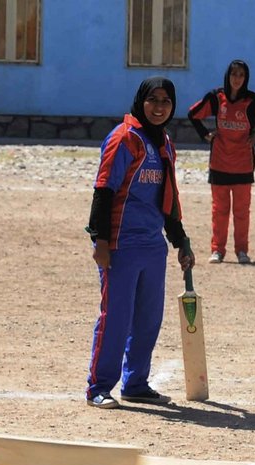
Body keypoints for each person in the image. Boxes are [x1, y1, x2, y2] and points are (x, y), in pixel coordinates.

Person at [84, 77, 196, 410]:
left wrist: (181, 241)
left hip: (152, 245)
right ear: (140, 101)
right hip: (120, 244)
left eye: (166, 101)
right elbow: (103, 191)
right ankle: (98, 387)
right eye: (153, 100)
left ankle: (135, 383)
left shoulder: (164, 144)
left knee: (148, 319)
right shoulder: (124, 139)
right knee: (116, 318)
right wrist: (99, 241)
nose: (159, 107)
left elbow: (168, 200)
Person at [186, 59, 255, 264]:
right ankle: (218, 250)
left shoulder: (253, 101)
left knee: (241, 211)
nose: (237, 79)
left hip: (243, 163)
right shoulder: (216, 98)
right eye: (234, 74)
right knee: (219, 210)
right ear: (228, 76)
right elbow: (193, 113)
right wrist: (205, 134)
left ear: (246, 78)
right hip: (219, 162)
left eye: (241, 75)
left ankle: (242, 251)